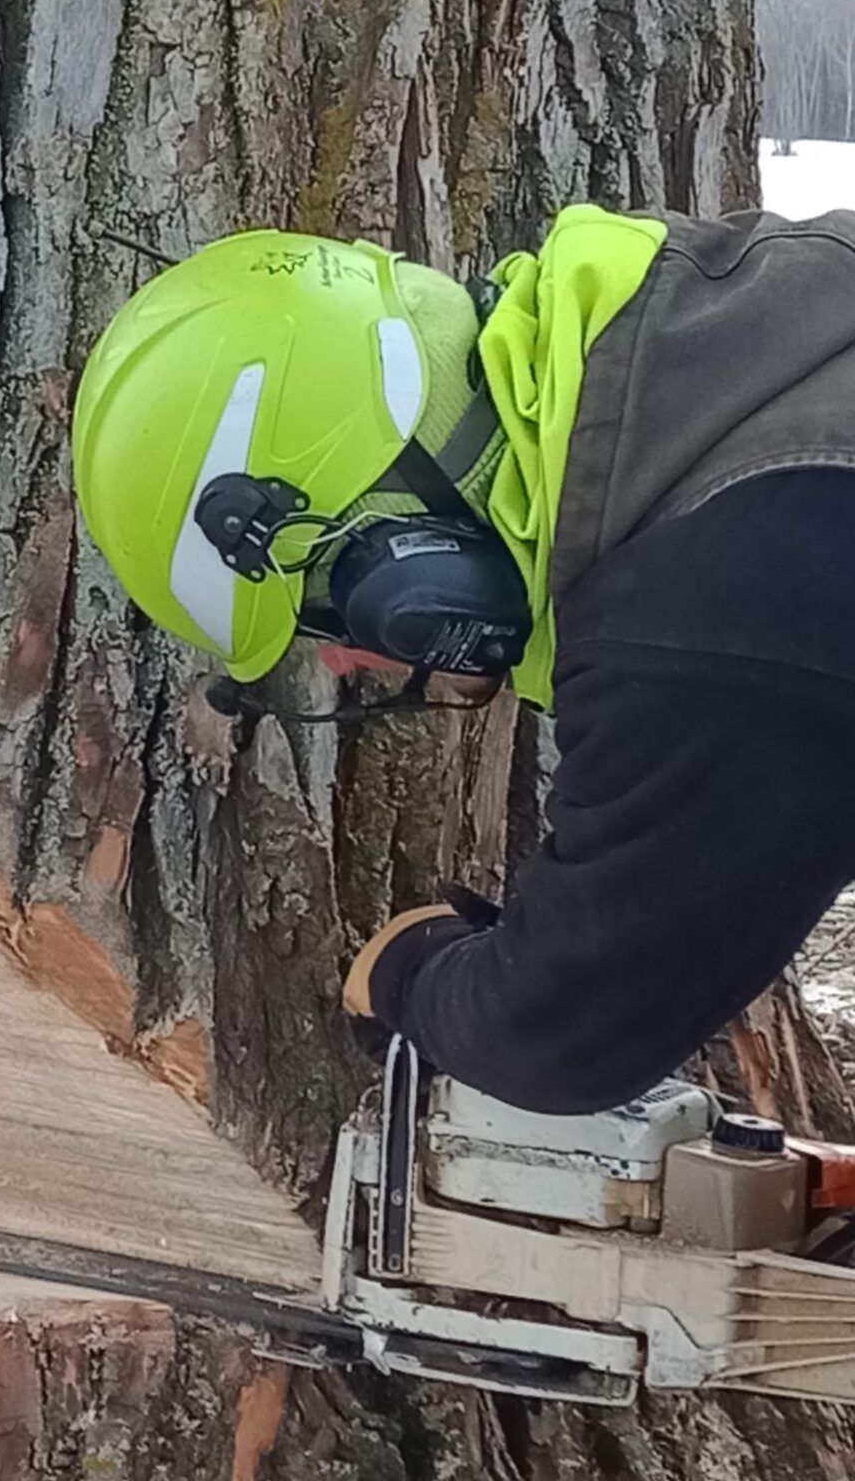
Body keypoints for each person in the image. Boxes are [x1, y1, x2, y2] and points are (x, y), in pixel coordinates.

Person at [70, 206, 855, 1116]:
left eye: (333, 609)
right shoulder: (739, 331)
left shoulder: (706, 615)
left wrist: (408, 976)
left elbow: (555, 1034)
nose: (347, 661)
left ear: (405, 552)